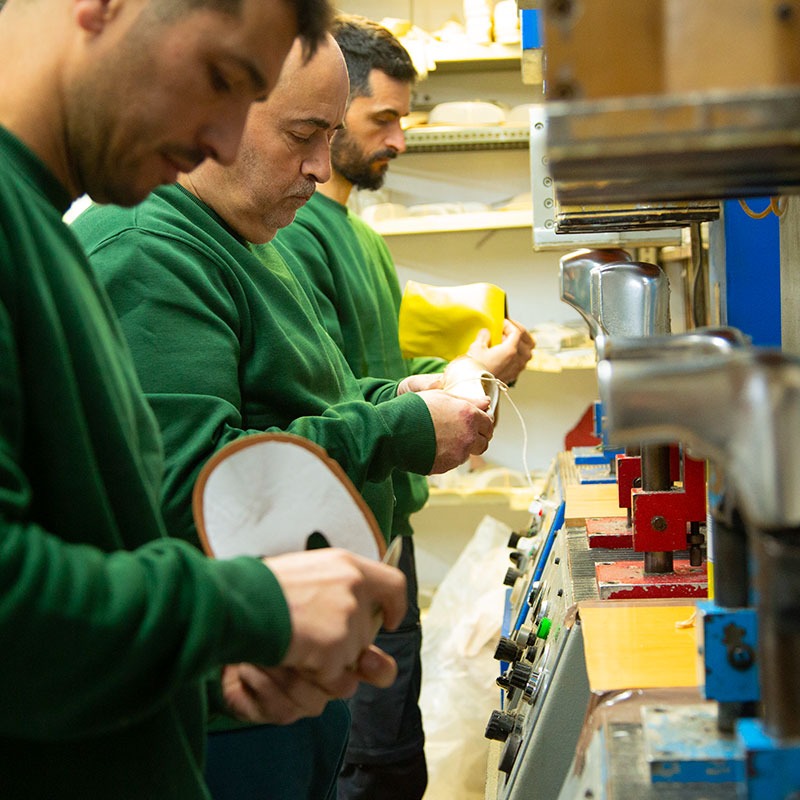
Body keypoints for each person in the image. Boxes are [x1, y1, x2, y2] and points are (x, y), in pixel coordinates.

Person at [0, 1, 415, 797]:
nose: (221, 141)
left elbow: (80, 568)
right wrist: (241, 607)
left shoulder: (42, 227)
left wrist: (196, 667)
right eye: (221, 79)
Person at [71, 32, 495, 800]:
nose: (320, 168)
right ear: (217, 113)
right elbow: (196, 485)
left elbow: (306, 401)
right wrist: (393, 431)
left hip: (289, 674)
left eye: (331, 138)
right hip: (225, 706)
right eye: (303, 136)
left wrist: (393, 400)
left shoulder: (252, 238)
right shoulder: (149, 249)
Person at [273, 14, 536, 799]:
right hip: (338, 532)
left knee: (390, 760)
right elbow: (324, 401)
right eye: (380, 120)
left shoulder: (356, 237)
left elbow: (372, 373)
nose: (398, 141)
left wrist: (466, 372)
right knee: (370, 766)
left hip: (386, 521)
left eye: (404, 120)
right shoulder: (294, 233)